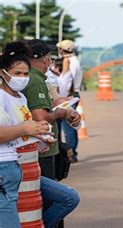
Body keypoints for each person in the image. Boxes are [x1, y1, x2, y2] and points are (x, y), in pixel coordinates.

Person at [22, 39, 80, 228]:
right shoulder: (34, 80)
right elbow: (41, 116)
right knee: (55, 201)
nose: (49, 63)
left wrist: (67, 110)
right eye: (47, 58)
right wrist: (61, 113)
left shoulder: (39, 79)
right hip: (42, 153)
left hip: (45, 150)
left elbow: (53, 101)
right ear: (42, 59)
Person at [0, 41, 51, 228]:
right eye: (17, 74)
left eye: (25, 74)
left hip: (17, 166)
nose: (22, 78)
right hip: (5, 169)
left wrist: (37, 135)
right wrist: (26, 130)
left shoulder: (21, 97)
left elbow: (21, 129)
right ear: (2, 72)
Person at [57, 40, 82, 163]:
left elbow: (67, 80)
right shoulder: (75, 60)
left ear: (62, 49)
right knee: (71, 125)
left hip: (68, 94)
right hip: (73, 94)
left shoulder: (68, 61)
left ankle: (70, 153)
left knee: (67, 126)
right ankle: (72, 152)